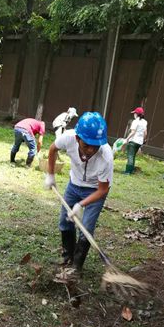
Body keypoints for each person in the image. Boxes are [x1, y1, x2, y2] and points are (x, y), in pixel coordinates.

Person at [44, 112, 113, 274]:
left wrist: (81, 205)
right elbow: (53, 149)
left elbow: (103, 189)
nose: (91, 150)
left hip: (95, 190)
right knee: (65, 222)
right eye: (86, 145)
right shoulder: (68, 138)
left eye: (95, 146)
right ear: (77, 138)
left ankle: (76, 266)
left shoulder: (106, 156)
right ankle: (67, 257)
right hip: (74, 185)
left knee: (86, 229)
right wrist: (51, 175)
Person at [124, 107, 148, 174]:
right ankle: (131, 170)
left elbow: (133, 132)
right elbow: (145, 133)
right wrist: (144, 140)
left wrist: (127, 139)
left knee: (130, 156)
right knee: (133, 156)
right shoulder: (145, 122)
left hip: (133, 141)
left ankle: (128, 171)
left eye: (134, 113)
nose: (134, 114)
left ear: (137, 114)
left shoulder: (135, 121)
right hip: (139, 142)